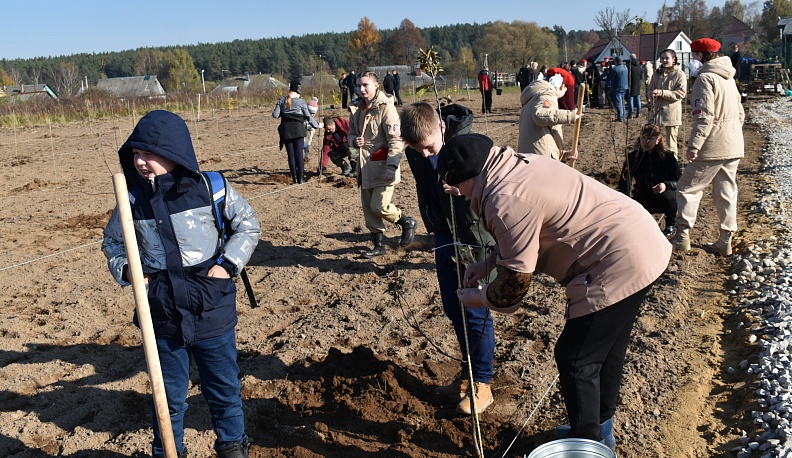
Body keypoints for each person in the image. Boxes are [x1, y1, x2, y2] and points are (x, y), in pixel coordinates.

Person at [436, 133, 671, 451]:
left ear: (467, 178)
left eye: (455, 185)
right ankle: (600, 431)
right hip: (638, 238)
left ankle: (587, 444)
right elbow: (527, 236)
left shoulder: (504, 199)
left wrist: (480, 298)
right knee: (604, 351)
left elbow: (514, 286)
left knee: (576, 358)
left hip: (617, 260)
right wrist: (488, 263)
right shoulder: (517, 165)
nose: (457, 193)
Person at [102, 110, 261, 458]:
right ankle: (168, 451)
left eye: (149, 154)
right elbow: (112, 243)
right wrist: (130, 271)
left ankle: (233, 447)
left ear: (174, 152)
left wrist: (227, 266)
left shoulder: (210, 188)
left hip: (211, 307)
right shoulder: (130, 200)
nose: (141, 162)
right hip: (161, 311)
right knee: (168, 395)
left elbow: (247, 225)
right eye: (136, 154)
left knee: (224, 388)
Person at [399, 101, 497, 415]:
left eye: (429, 148)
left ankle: (482, 384)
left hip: (472, 237)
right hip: (444, 234)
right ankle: (468, 375)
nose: (425, 155)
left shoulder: (469, 149)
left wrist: (465, 193)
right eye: (418, 150)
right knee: (453, 306)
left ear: (441, 127)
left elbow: (494, 190)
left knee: (475, 309)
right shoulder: (416, 151)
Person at [671, 38, 745, 256]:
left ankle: (682, 235)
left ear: (702, 56)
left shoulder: (705, 78)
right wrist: (731, 133)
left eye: (694, 55)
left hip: (713, 145)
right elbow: (740, 112)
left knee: (688, 188)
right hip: (733, 144)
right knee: (726, 192)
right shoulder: (729, 77)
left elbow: (704, 116)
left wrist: (694, 145)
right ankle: (726, 240)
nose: (693, 60)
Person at [348, 71, 417, 258]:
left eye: (365, 85)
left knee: (380, 205)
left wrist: (391, 167)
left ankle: (406, 222)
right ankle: (378, 246)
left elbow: (396, 141)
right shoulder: (356, 109)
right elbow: (351, 133)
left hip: (383, 166)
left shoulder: (386, 108)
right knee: (369, 209)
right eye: (359, 85)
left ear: (376, 85)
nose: (361, 89)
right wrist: (354, 141)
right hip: (364, 167)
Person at [618, 124, 681, 236]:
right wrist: (626, 197)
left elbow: (678, 180)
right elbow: (624, 181)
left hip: (663, 195)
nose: (645, 141)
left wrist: (665, 185)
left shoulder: (668, 157)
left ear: (658, 140)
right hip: (643, 194)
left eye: (650, 138)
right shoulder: (633, 157)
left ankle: (670, 224)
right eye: (643, 138)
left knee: (669, 197)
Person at [517, 68, 580, 161]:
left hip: (533, 154)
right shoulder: (547, 93)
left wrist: (563, 155)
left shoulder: (535, 95)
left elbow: (546, 133)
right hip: (540, 158)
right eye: (566, 90)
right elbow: (539, 115)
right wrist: (570, 115)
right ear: (562, 86)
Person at [272, 82, 320, 184]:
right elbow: (308, 116)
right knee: (299, 154)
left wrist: (279, 106)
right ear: (298, 90)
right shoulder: (300, 102)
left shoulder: (281, 100)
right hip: (298, 130)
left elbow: (275, 115)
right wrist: (316, 125)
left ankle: (294, 179)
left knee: (291, 155)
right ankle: (301, 179)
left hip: (286, 131)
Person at [648, 49, 686, 157]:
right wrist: (651, 94)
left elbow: (680, 94)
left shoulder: (679, 74)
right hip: (656, 114)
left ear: (673, 59)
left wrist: (661, 92)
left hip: (671, 115)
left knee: (671, 145)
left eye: (667, 58)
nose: (664, 60)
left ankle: (672, 168)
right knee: (654, 143)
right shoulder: (656, 74)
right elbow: (650, 88)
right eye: (662, 58)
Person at [610, 56, 628, 121]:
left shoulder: (616, 69)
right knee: (622, 102)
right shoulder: (625, 67)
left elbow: (611, 77)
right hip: (625, 86)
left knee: (619, 103)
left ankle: (621, 117)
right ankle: (624, 115)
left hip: (618, 87)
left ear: (616, 61)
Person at [628, 54, 642, 119]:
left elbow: (628, 76)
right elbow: (641, 76)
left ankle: (631, 114)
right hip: (638, 84)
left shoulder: (629, 66)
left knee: (631, 100)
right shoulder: (639, 66)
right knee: (638, 99)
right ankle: (639, 112)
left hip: (631, 84)